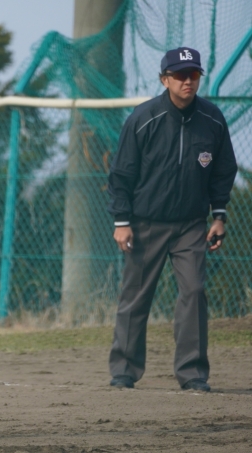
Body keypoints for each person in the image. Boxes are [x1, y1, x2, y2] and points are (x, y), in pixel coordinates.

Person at [107, 47, 237, 392]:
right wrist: (122, 221)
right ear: (164, 79)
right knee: (136, 296)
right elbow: (121, 174)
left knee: (194, 292)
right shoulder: (143, 118)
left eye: (193, 74)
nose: (187, 81)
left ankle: (193, 373)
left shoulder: (212, 119)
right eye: (179, 75)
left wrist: (219, 215)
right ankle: (124, 370)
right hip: (145, 224)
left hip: (191, 225)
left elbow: (223, 171)